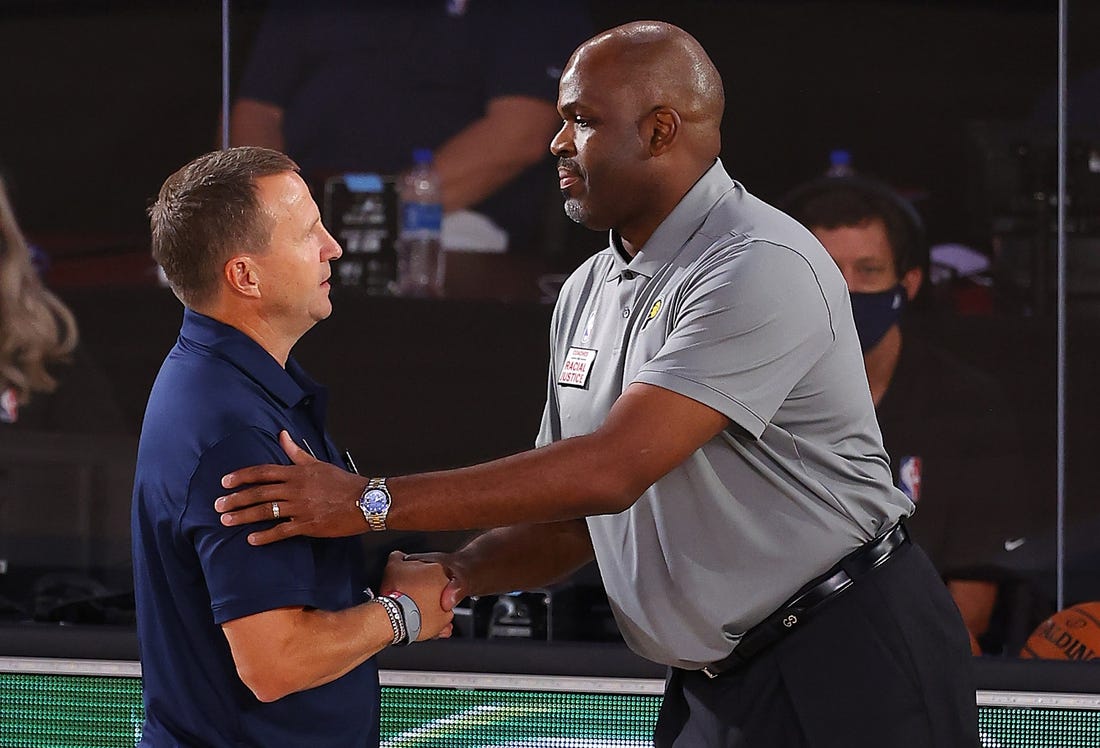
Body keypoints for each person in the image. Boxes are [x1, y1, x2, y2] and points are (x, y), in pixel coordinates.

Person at [216, 24, 980, 747]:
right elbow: (571, 517)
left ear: (660, 131)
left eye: (581, 120)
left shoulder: (759, 262)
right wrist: (460, 572)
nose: (556, 142)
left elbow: (611, 471)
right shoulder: (587, 289)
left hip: (850, 656)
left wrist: (368, 502)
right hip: (718, 679)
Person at [131, 146, 453, 746]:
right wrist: (403, 615)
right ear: (245, 276)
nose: (334, 247)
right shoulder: (237, 433)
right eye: (308, 233)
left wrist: (366, 580)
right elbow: (275, 662)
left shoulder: (224, 384)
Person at [782, 175, 1040, 653]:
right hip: (778, 659)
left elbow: (969, 613)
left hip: (909, 659)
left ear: (909, 283)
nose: (846, 290)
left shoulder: (965, 402)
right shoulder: (754, 395)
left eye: (868, 271)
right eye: (826, 271)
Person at [230, 0, 591, 254]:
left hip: (441, 222)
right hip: (300, 214)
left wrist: (369, 215)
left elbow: (519, 134)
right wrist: (276, 210)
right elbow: (256, 111)